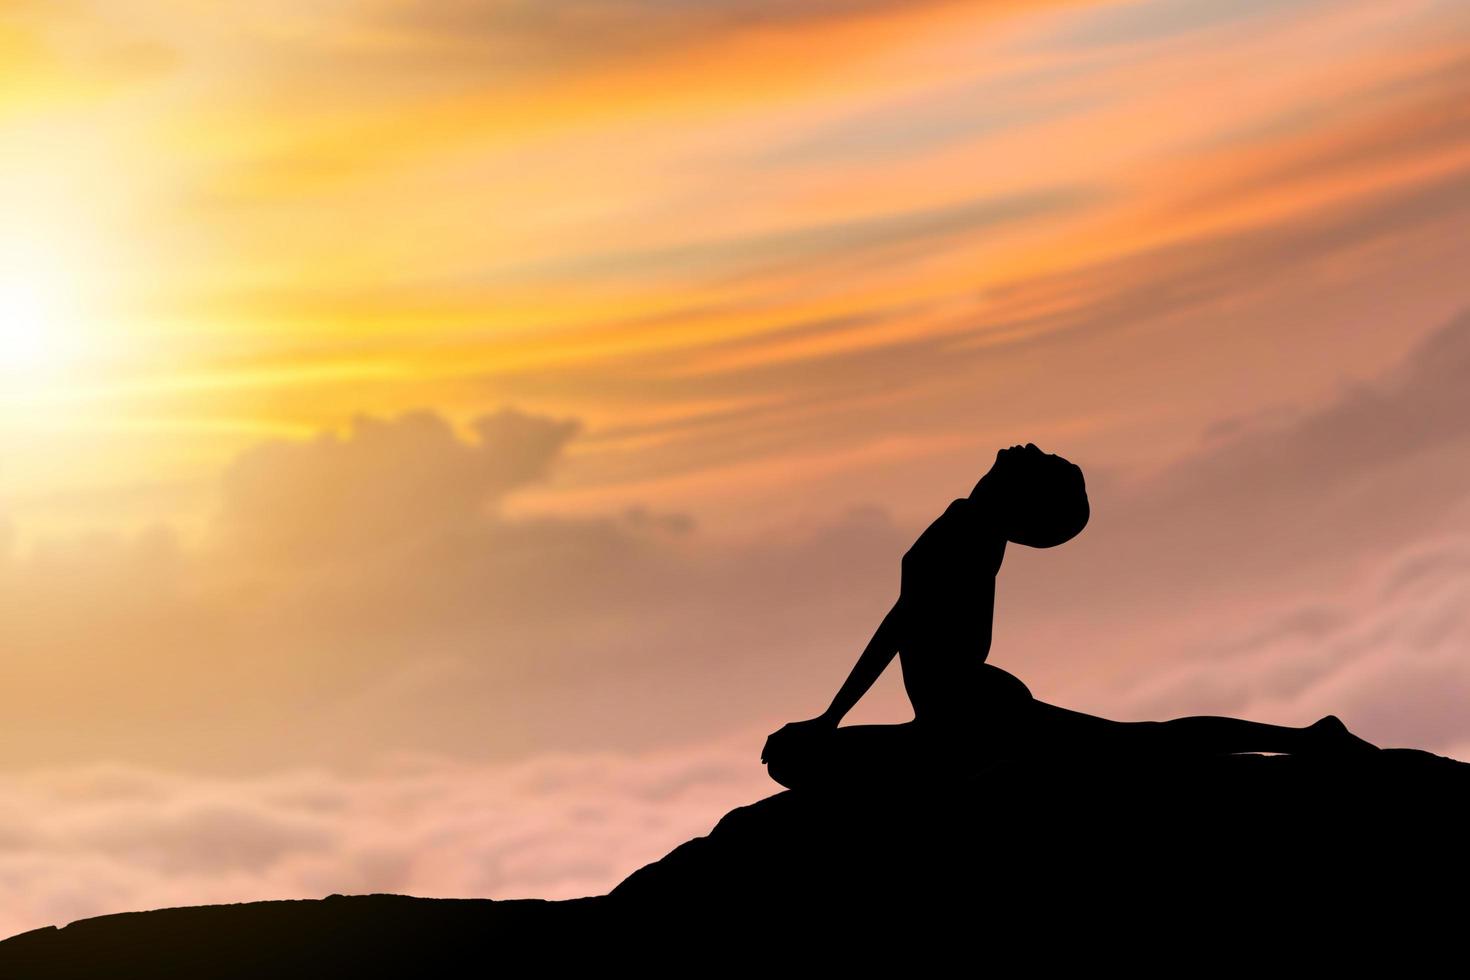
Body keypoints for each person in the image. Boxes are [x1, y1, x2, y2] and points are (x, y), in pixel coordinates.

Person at [761, 443, 1380, 791]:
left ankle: (1308, 741)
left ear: (1019, 499)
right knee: (1136, 745)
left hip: (977, 715)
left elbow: (897, 628)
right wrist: (826, 723)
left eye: (1037, 460)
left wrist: (828, 720)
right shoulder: (968, 525)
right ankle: (1306, 740)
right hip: (955, 718)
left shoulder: (971, 535)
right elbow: (902, 623)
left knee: (1143, 746)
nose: (1024, 445)